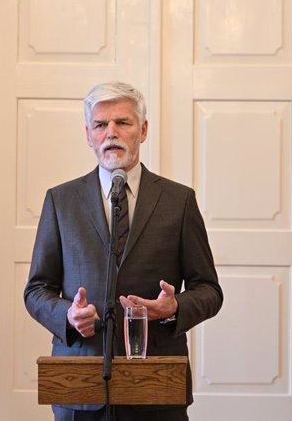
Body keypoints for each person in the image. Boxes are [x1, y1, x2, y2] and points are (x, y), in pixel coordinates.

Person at [24, 81, 223, 421]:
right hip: (78, 385)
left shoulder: (179, 201)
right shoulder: (61, 201)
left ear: (143, 130)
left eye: (123, 123)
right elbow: (37, 290)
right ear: (89, 135)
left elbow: (209, 290)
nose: (111, 132)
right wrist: (68, 316)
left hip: (156, 387)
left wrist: (173, 308)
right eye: (101, 125)